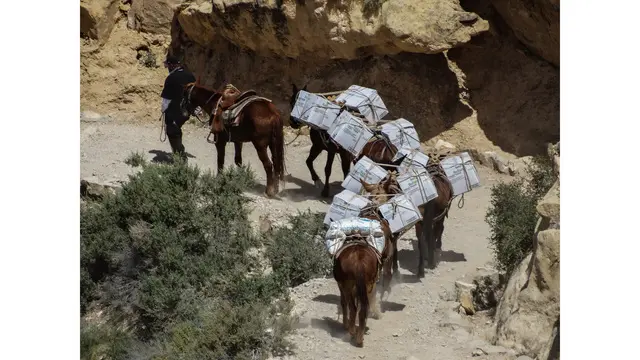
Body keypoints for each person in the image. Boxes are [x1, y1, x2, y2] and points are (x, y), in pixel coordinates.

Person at [160, 54, 195, 159]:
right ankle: (179, 153)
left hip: (174, 110)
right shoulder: (190, 75)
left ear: (171, 65)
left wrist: (163, 110)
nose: (167, 68)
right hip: (187, 110)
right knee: (177, 128)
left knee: (171, 130)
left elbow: (166, 99)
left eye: (167, 65)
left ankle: (179, 156)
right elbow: (195, 94)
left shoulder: (171, 78)